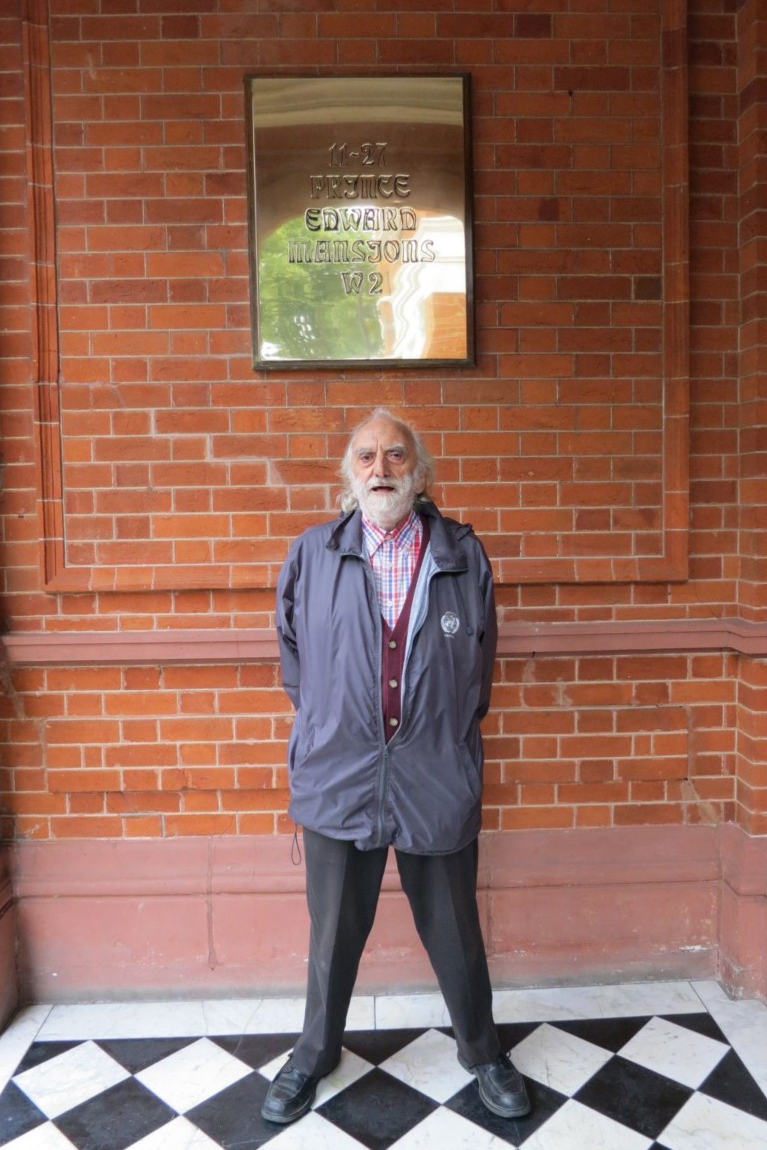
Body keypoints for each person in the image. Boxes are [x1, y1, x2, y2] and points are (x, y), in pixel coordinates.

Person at [261, 408, 529, 1125]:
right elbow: (297, 661)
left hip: (432, 772)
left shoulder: (463, 555)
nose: (380, 468)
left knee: (455, 928)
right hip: (338, 772)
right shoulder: (311, 555)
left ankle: (483, 1050)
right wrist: (330, 721)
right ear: (350, 473)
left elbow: (478, 671)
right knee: (331, 932)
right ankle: (314, 1053)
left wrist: (436, 738)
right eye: (366, 456)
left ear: (420, 471)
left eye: (395, 455)